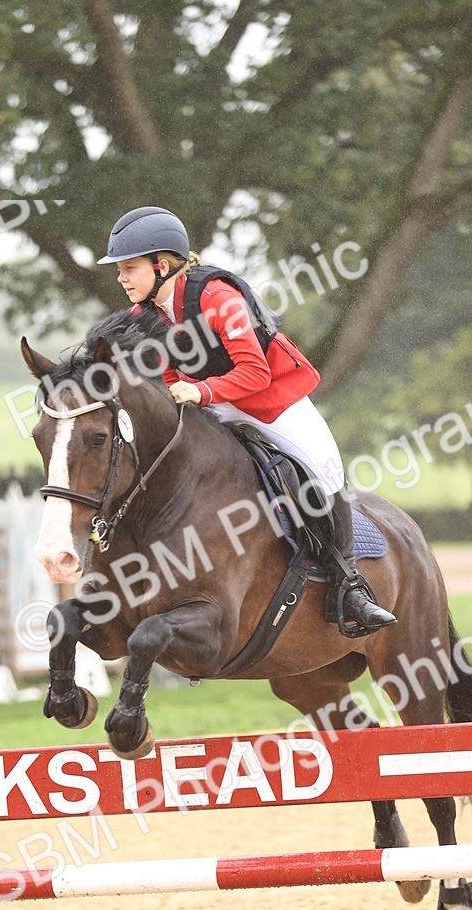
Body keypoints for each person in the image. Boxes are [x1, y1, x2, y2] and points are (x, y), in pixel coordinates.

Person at [97, 205, 396, 638]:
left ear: (161, 266)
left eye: (129, 269)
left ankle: (349, 584)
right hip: (212, 404)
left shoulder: (219, 297)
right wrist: (184, 399)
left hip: (271, 401)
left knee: (325, 469)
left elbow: (255, 373)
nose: (121, 278)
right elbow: (166, 371)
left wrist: (200, 392)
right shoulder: (146, 316)